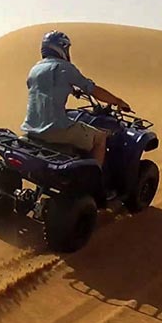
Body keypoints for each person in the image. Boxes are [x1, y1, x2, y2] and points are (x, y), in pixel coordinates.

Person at [21, 30, 131, 200]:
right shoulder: (65, 67)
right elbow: (93, 90)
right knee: (100, 137)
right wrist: (118, 101)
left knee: (72, 123)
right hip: (55, 129)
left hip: (31, 128)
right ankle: (95, 186)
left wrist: (71, 90)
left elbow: (46, 88)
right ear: (62, 48)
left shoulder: (34, 69)